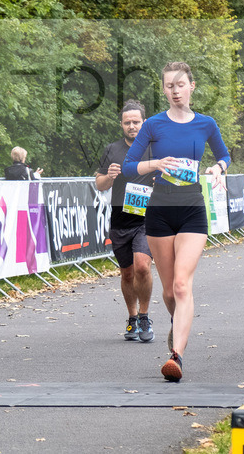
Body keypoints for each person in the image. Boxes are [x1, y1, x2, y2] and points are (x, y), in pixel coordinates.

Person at [122, 62, 231, 382]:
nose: (175, 91)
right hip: (160, 210)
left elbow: (224, 156)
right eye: (169, 86)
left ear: (191, 86)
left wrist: (217, 170)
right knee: (169, 291)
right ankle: (176, 323)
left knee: (183, 284)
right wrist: (155, 163)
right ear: (164, 90)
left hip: (192, 209)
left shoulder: (206, 124)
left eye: (180, 85)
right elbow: (129, 166)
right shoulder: (154, 125)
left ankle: (176, 357)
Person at [95, 99, 155, 344]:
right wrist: (108, 177)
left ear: (144, 123)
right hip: (120, 220)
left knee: (142, 267)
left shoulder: (155, 148)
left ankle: (144, 316)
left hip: (147, 220)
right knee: (127, 273)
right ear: (121, 124)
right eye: (128, 122)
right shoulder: (112, 149)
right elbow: (99, 185)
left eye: (136, 122)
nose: (132, 126)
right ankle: (132, 318)